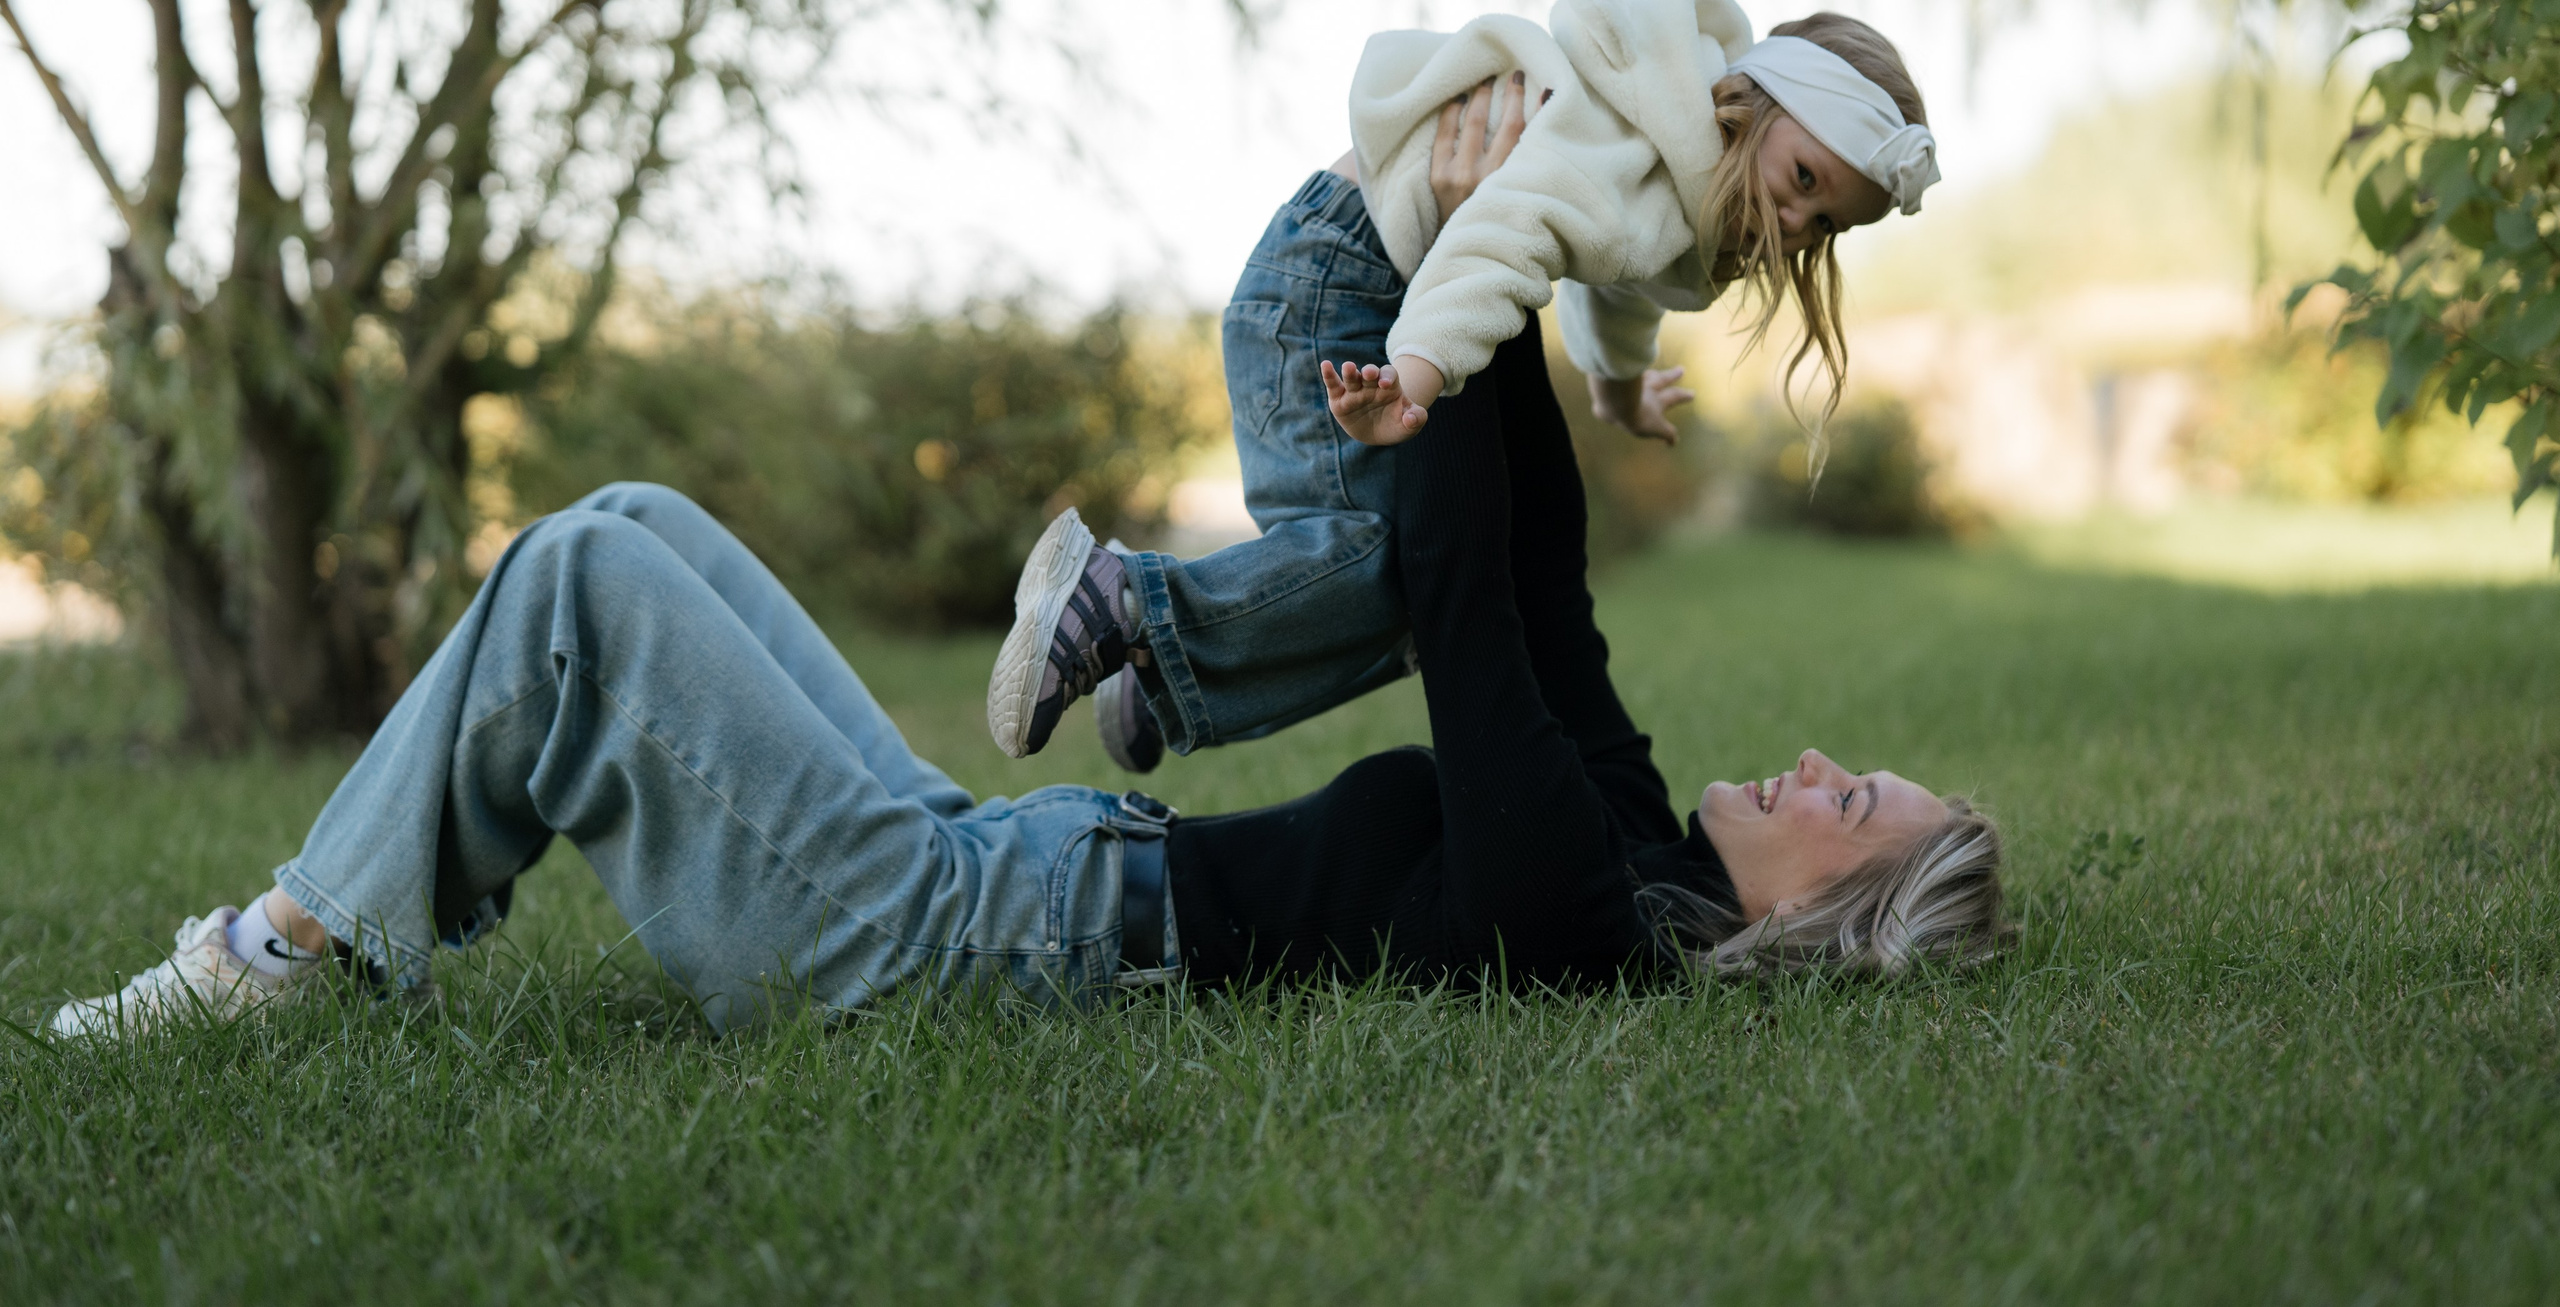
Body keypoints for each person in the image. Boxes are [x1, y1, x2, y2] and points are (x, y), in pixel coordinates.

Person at [49, 324, 2002, 1042]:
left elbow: (1472, 621)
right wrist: (1507, 276)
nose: (1817, 763)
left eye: (1852, 804)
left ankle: (284, 957)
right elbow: (1553, 610)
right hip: (1009, 871)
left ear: (1831, 924)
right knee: (630, 510)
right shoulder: (1626, 851)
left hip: (954, 945)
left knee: (571, 579)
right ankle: (364, 924)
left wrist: (1440, 371)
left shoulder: (1583, 923)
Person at [987, 0, 1936, 771]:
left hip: (1345, 281)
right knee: (1412, 579)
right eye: (1802, 180)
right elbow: (1503, 236)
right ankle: (1120, 608)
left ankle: (1152, 655)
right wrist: (1417, 376)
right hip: (1342, 285)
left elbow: (1607, 270)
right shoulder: (1641, 139)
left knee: (1414, 591)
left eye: (1827, 224)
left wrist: (1614, 383)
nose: (1797, 223)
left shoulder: (1667, 148)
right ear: (1755, 105)